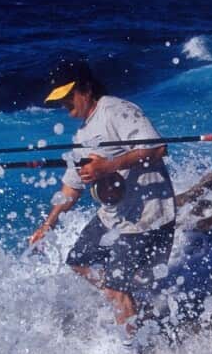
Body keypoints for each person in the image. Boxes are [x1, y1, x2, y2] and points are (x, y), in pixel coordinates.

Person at [30, 60, 177, 338]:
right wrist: (47, 225)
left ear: (85, 89)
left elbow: (157, 148)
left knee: (118, 289)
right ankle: (127, 301)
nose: (65, 105)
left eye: (68, 97)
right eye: (60, 100)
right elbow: (71, 188)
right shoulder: (82, 134)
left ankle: (133, 350)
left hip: (144, 217)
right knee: (78, 259)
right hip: (114, 216)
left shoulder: (117, 110)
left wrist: (108, 166)